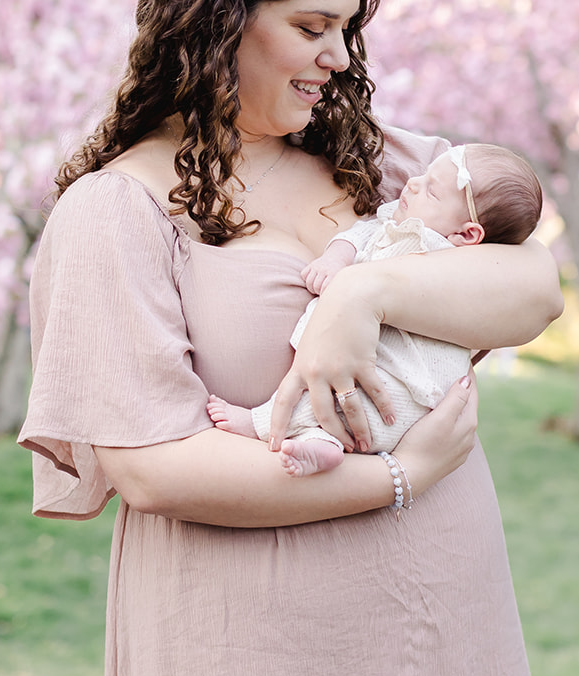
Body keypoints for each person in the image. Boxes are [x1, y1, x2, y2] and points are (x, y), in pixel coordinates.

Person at [18, 0, 573, 676]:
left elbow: (533, 290)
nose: (334, 56)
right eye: (309, 26)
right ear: (218, 13)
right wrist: (396, 479)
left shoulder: (390, 166)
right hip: (252, 662)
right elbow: (154, 465)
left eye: (346, 29)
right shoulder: (114, 213)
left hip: (435, 631)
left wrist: (361, 299)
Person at [206, 141, 543, 475]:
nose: (412, 183)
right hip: (384, 369)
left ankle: (261, 424)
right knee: (335, 389)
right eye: (424, 175)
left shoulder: (458, 258)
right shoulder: (394, 223)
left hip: (410, 380)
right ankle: (322, 445)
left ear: (467, 234)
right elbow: (361, 234)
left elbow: (518, 286)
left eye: (432, 192)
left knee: (351, 393)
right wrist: (335, 258)